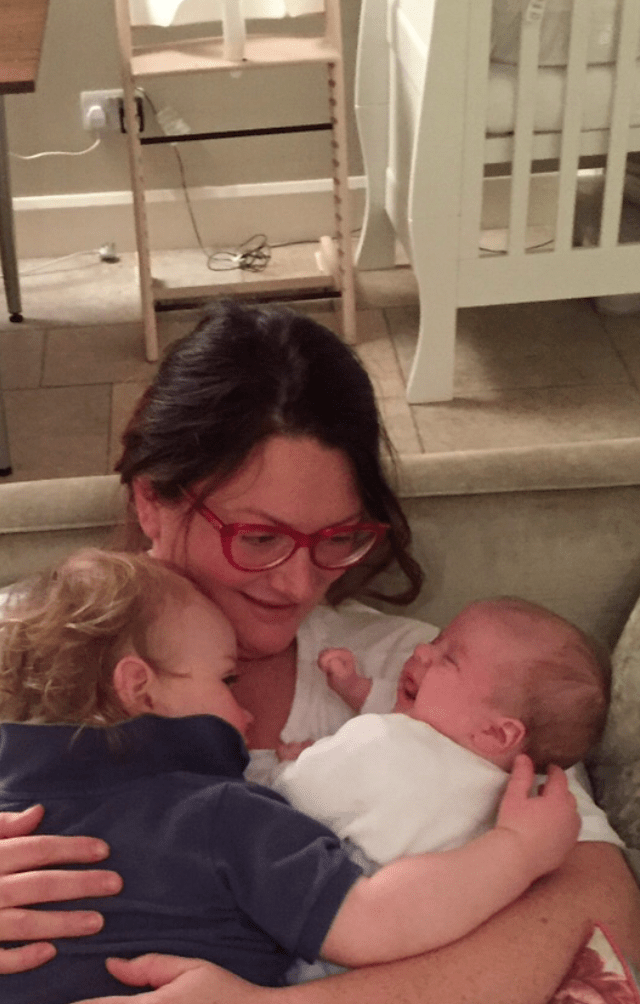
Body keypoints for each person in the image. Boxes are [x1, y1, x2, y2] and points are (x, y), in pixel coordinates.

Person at [0, 302, 639, 1004]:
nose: (298, 583)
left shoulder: (423, 677)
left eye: (337, 538)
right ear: (152, 500)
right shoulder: (18, 646)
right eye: (260, 537)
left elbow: (599, 907)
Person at [0, 549, 579, 1003]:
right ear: (140, 688)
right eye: (227, 681)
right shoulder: (222, 814)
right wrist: (518, 848)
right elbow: (375, 920)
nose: (246, 714)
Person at [276, 598, 614, 867]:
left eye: (449, 659)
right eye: (437, 640)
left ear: (496, 734)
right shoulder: (514, 800)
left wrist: (298, 763)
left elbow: (296, 796)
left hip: (352, 887)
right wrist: (355, 687)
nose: (422, 649)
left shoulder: (386, 742)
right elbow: (409, 709)